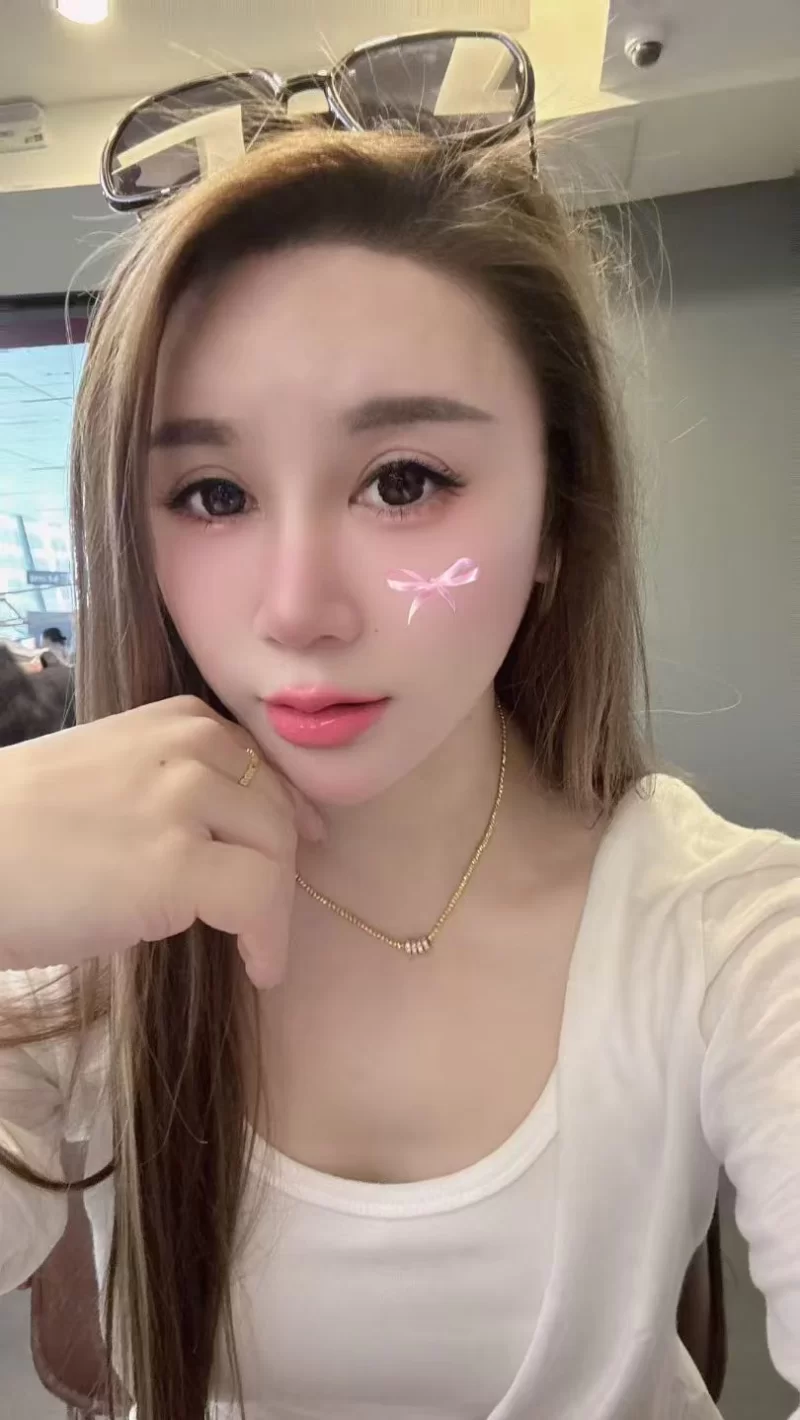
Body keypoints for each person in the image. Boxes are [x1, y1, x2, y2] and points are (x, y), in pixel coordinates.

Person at [0, 58, 797, 1420]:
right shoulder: (85, 937)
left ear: (556, 520)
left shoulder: (724, 937)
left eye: (404, 480)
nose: (296, 608)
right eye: (213, 494)